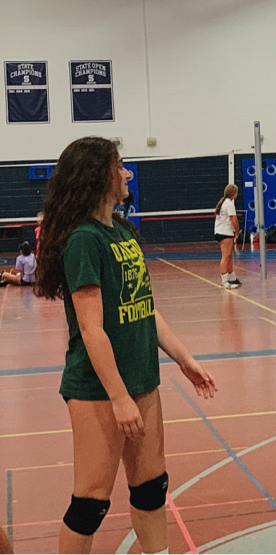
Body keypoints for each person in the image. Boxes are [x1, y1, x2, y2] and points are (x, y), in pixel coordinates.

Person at [34, 136, 218, 555]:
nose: (127, 173)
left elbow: (144, 307)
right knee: (91, 503)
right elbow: (91, 328)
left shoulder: (122, 231)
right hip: (98, 389)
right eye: (120, 166)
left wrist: (184, 359)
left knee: (152, 488)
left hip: (142, 379)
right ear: (100, 176)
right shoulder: (84, 240)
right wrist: (118, 397)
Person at [214, 184, 242, 289]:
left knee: (229, 256)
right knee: (225, 257)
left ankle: (232, 278)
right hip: (225, 233)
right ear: (233, 193)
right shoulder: (229, 204)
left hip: (219, 231)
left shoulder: (223, 203)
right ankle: (224, 281)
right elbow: (233, 220)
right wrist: (237, 231)